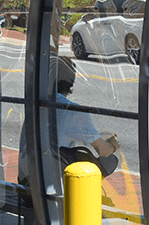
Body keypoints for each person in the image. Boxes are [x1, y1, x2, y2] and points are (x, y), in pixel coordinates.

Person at [17, 56, 121, 184]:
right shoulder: (73, 112)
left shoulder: (36, 104)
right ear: (71, 82)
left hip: (26, 182)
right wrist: (113, 145)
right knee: (110, 160)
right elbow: (103, 151)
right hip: (51, 187)